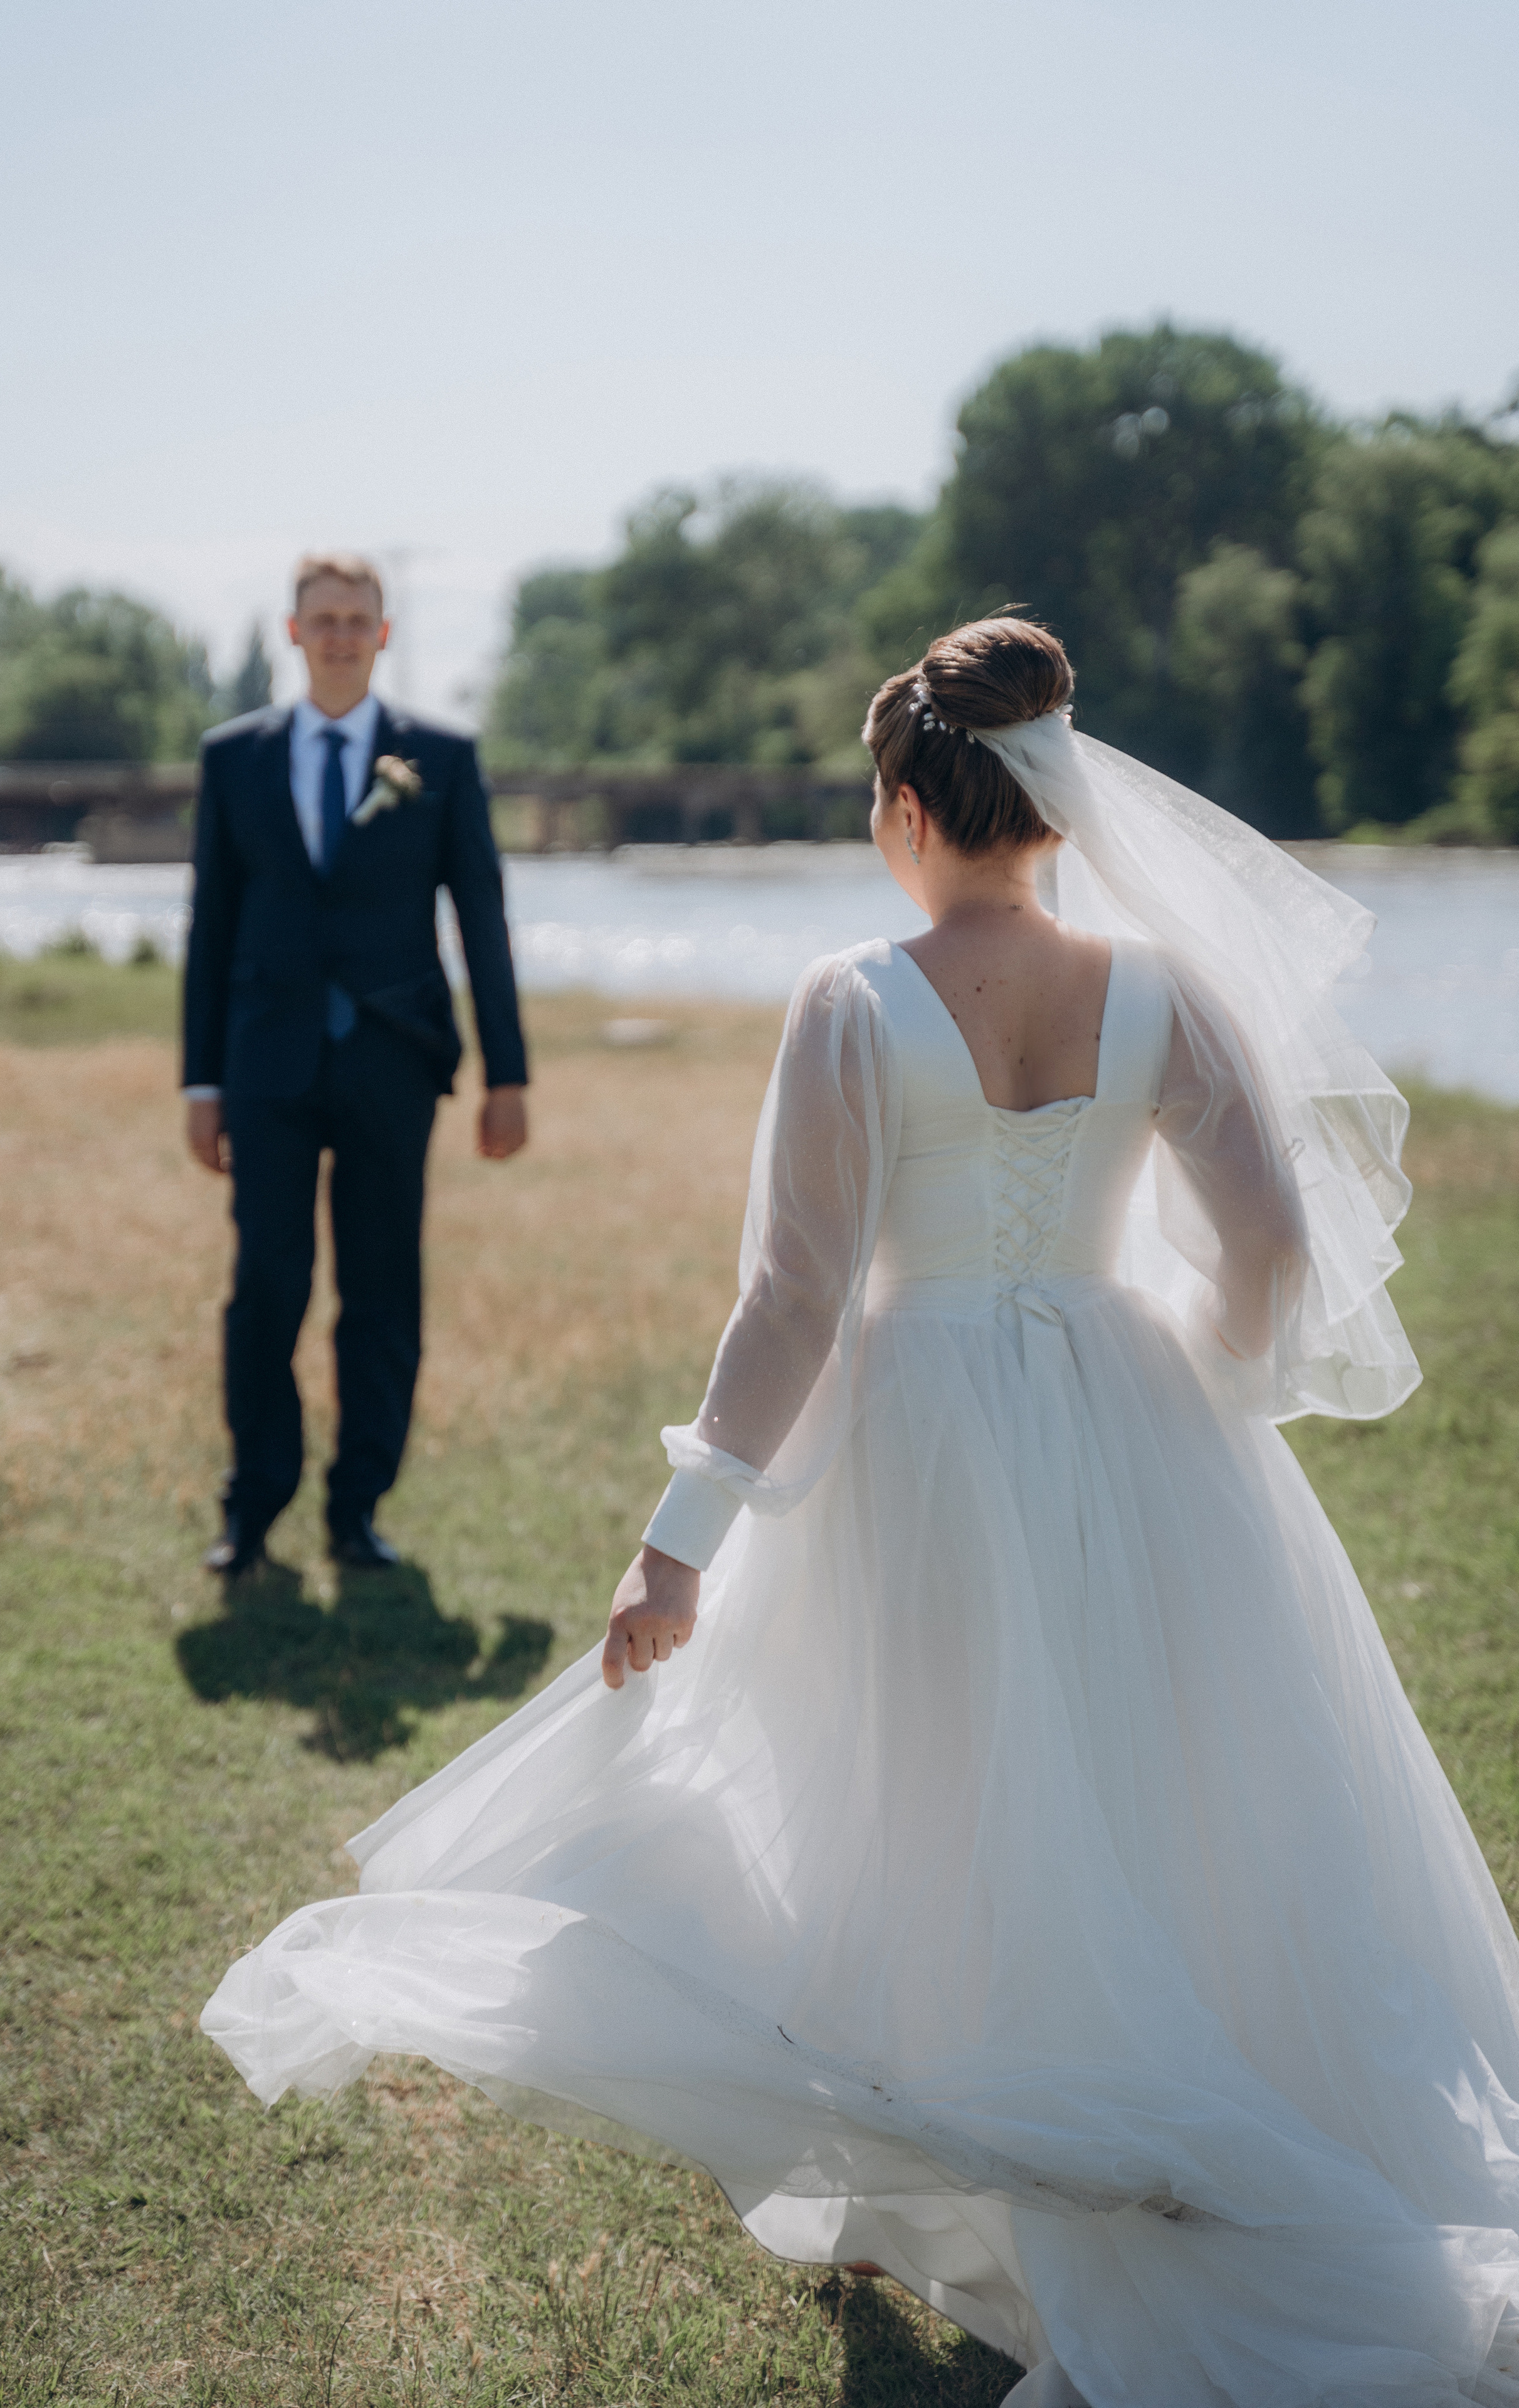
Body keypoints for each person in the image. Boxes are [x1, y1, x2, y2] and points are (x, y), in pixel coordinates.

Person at [202, 618, 1519, 2403]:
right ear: (1052, 808)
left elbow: (795, 1305)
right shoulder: (1165, 991)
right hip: (1139, 1418)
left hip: (920, 1438)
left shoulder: (853, 999)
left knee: (917, 1783)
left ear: (905, 803)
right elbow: (1275, 1247)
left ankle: (947, 2158)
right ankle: (1130, 2114)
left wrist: (680, 1535)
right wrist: (1190, 1382)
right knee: (1146, 1773)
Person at [182, 553, 527, 1576]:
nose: (338, 634)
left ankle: (358, 1507)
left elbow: (482, 920)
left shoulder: (444, 756)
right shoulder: (233, 757)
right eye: (321, 618)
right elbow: (212, 927)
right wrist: (201, 1081)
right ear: (292, 632)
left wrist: (508, 1072)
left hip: (393, 1061)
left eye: (357, 619)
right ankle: (254, 1504)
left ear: (383, 633)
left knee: (382, 1291)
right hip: (266, 1067)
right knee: (266, 1288)